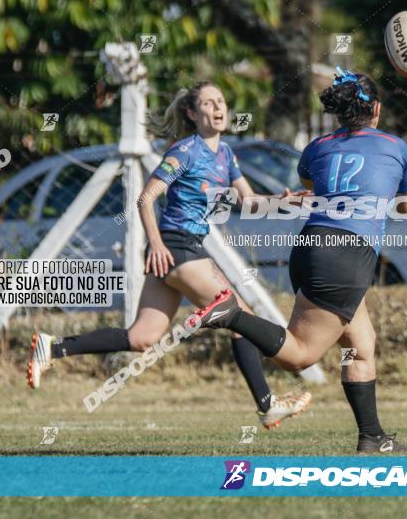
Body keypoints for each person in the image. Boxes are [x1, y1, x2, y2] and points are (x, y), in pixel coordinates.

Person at [27, 82, 311, 429]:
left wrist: (284, 201)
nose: (218, 107)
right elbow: (146, 198)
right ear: (192, 113)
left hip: (182, 251)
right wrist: (157, 244)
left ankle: (52, 348)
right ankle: (267, 405)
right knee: (238, 315)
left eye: (221, 101)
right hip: (177, 247)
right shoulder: (185, 151)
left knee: (142, 338)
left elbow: (249, 202)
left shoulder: (226, 155)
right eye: (208, 102)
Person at [189, 68, 407, 452]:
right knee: (300, 356)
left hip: (311, 245)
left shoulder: (318, 146)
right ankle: (231, 314)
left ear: (339, 111)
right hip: (347, 255)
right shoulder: (395, 146)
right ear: (376, 109)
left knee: (361, 344)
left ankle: (372, 436)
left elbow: (315, 190)